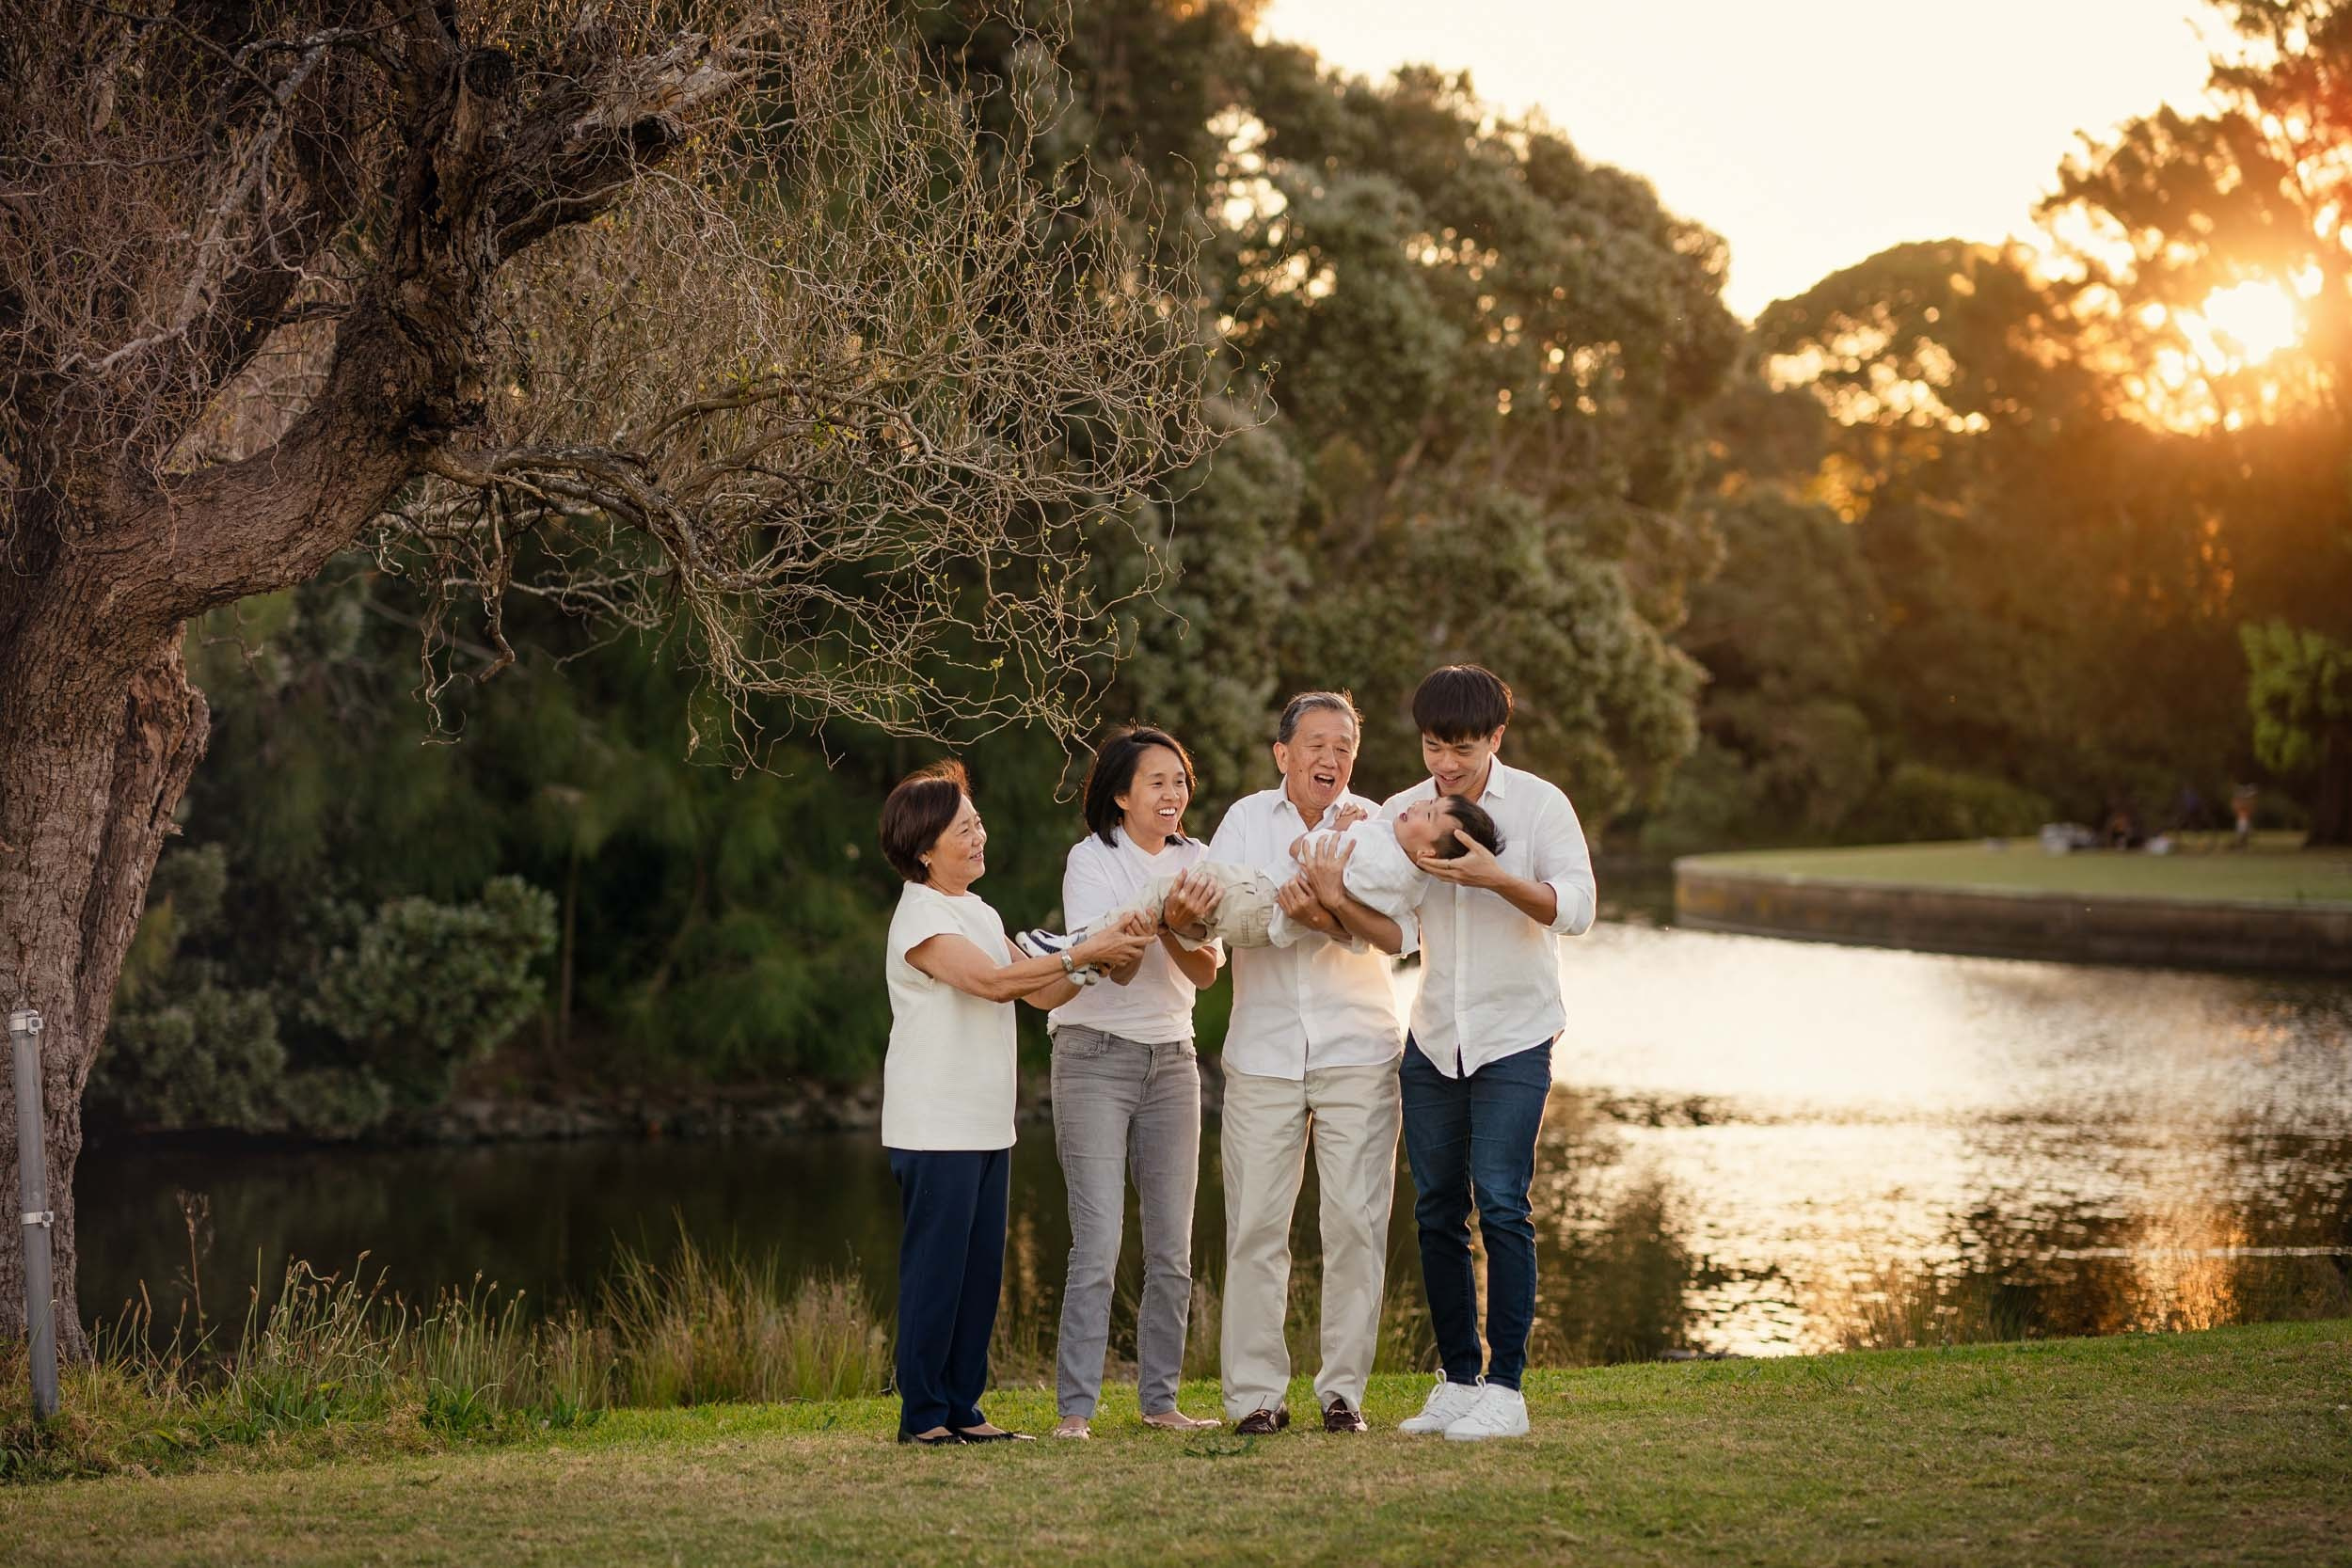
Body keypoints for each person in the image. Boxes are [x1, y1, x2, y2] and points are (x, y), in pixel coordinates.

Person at [876, 760, 1155, 1446]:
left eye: (976, 823)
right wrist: (1078, 952)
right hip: (932, 1122)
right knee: (935, 1274)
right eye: (963, 828)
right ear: (924, 847)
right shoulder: (922, 914)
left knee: (978, 1276)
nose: (979, 835)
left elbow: (1039, 994)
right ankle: (922, 1417)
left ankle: (963, 1407)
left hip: (984, 1123)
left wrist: (1098, 961)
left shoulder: (979, 909)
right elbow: (995, 982)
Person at [1382, 664, 1596, 1442]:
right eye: (1434, 745)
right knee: (1437, 1210)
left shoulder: (1541, 804)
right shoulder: (1408, 812)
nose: (1445, 763)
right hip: (1434, 1032)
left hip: (1516, 1032)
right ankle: (1458, 1380)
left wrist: (1497, 878)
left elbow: (1578, 907)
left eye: (1462, 748)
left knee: (1502, 1200)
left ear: (1496, 738)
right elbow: (1396, 926)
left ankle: (1506, 1388)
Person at [1202, 690, 1411, 1436]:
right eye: (1316, 743)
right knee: (1257, 1224)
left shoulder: (1378, 824)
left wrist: (1309, 907)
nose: (1332, 757)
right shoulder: (1243, 821)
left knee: (1356, 1222)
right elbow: (1228, 917)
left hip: (1359, 1046)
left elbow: (1388, 930)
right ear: (1282, 753)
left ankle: (1343, 1394)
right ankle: (1257, 1395)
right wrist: (1317, 909)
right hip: (1262, 1052)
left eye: (1345, 745)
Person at [1042, 726, 1229, 1440]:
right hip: (1092, 1055)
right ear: (1121, 795)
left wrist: (1177, 926)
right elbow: (1109, 964)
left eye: (1180, 780)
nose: (1173, 794)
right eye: (1157, 781)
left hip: (1173, 1060)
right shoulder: (1091, 860)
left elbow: (1207, 971)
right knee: (1096, 1243)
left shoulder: (1201, 860)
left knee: (1171, 1249)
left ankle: (1160, 1401)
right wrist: (1165, 915)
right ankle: (1075, 1411)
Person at [1014, 793, 1503, 955]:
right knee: (1167, 904)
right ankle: (1089, 953)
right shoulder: (1405, 878)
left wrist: (1336, 824)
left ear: (1430, 855)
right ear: (1282, 753)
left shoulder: (1375, 843)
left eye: (1431, 815)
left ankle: (1077, 948)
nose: (1419, 805)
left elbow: (1301, 849)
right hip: (1261, 920)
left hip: (1259, 902)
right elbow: (1377, 934)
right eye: (1429, 802)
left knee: (1163, 888)